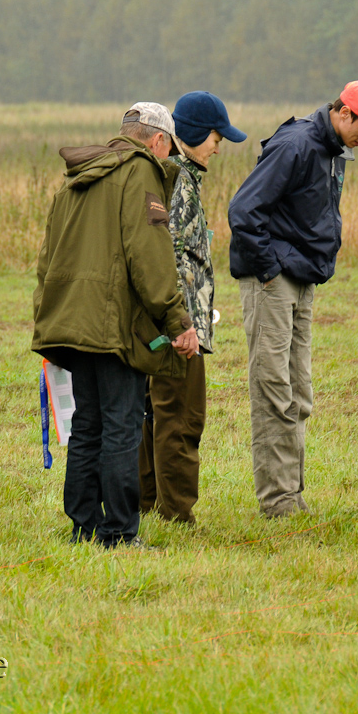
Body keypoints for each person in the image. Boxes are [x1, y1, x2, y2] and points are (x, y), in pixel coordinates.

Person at [33, 102, 198, 548]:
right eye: (169, 150)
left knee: (87, 424)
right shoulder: (141, 173)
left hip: (71, 321)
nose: (167, 159)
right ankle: (120, 533)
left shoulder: (79, 176)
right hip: (113, 325)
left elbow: (46, 260)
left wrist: (47, 317)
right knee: (122, 425)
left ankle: (83, 528)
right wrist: (176, 318)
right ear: (158, 140)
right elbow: (151, 255)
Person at [228, 80, 358, 518]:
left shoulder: (332, 150)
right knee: (273, 388)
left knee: (299, 389)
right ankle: (278, 502)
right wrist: (270, 268)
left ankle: (292, 495)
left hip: (302, 279)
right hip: (274, 280)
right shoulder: (296, 145)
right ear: (344, 113)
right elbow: (243, 211)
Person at [138, 92, 246, 525]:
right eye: (217, 138)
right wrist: (184, 324)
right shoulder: (180, 180)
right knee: (183, 416)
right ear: (198, 134)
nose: (219, 147)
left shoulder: (177, 177)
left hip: (166, 322)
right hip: (179, 327)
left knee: (155, 414)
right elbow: (174, 256)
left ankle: (146, 503)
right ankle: (177, 514)